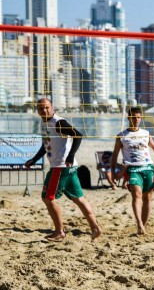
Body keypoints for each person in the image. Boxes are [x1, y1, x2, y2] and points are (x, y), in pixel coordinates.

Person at [24, 98, 102, 242]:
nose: (44, 110)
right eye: (41, 108)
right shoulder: (43, 123)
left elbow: (78, 135)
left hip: (61, 167)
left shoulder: (59, 122)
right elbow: (47, 144)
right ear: (37, 110)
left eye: (46, 107)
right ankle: (95, 228)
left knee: (48, 198)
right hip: (68, 168)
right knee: (79, 199)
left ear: (52, 107)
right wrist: (34, 159)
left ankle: (59, 231)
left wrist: (71, 156)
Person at [111, 106, 154, 236]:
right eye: (134, 117)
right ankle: (139, 224)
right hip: (133, 168)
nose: (136, 120)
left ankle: (143, 228)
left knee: (148, 197)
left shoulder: (145, 133)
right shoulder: (122, 136)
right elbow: (115, 155)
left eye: (139, 117)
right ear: (129, 117)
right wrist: (113, 172)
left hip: (147, 167)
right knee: (137, 195)